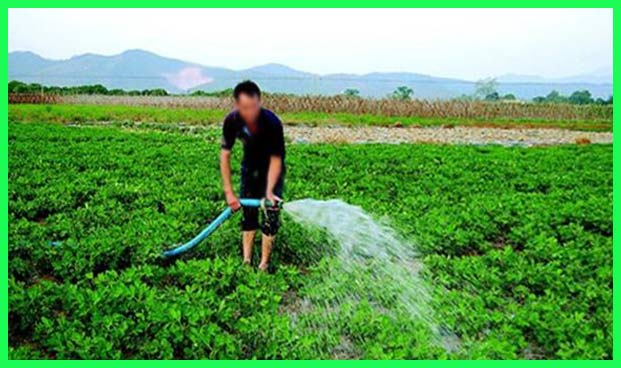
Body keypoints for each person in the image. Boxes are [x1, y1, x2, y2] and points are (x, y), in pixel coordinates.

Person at [219, 80, 286, 271]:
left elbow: (276, 159)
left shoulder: (272, 122)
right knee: (248, 216)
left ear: (260, 101)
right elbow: (225, 155)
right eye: (245, 108)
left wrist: (270, 191)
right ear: (237, 105)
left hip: (273, 171)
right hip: (249, 170)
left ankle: (264, 263)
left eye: (254, 107)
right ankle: (246, 261)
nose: (250, 112)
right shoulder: (232, 121)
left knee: (270, 216)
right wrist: (229, 193)